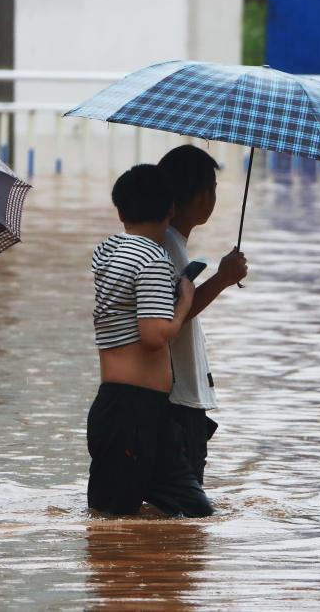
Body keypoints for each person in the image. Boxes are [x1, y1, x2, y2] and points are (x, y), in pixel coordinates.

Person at [86, 164, 214, 517]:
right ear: (171, 209)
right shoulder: (153, 258)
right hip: (133, 412)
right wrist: (184, 298)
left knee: (192, 515)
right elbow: (154, 336)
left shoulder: (110, 251)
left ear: (120, 210)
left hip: (134, 411)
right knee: (112, 522)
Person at [157, 145, 248, 485]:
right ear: (198, 195)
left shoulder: (171, 243)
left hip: (183, 400)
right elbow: (172, 317)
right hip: (177, 403)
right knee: (186, 512)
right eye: (211, 187)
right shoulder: (166, 246)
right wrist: (223, 279)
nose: (213, 196)